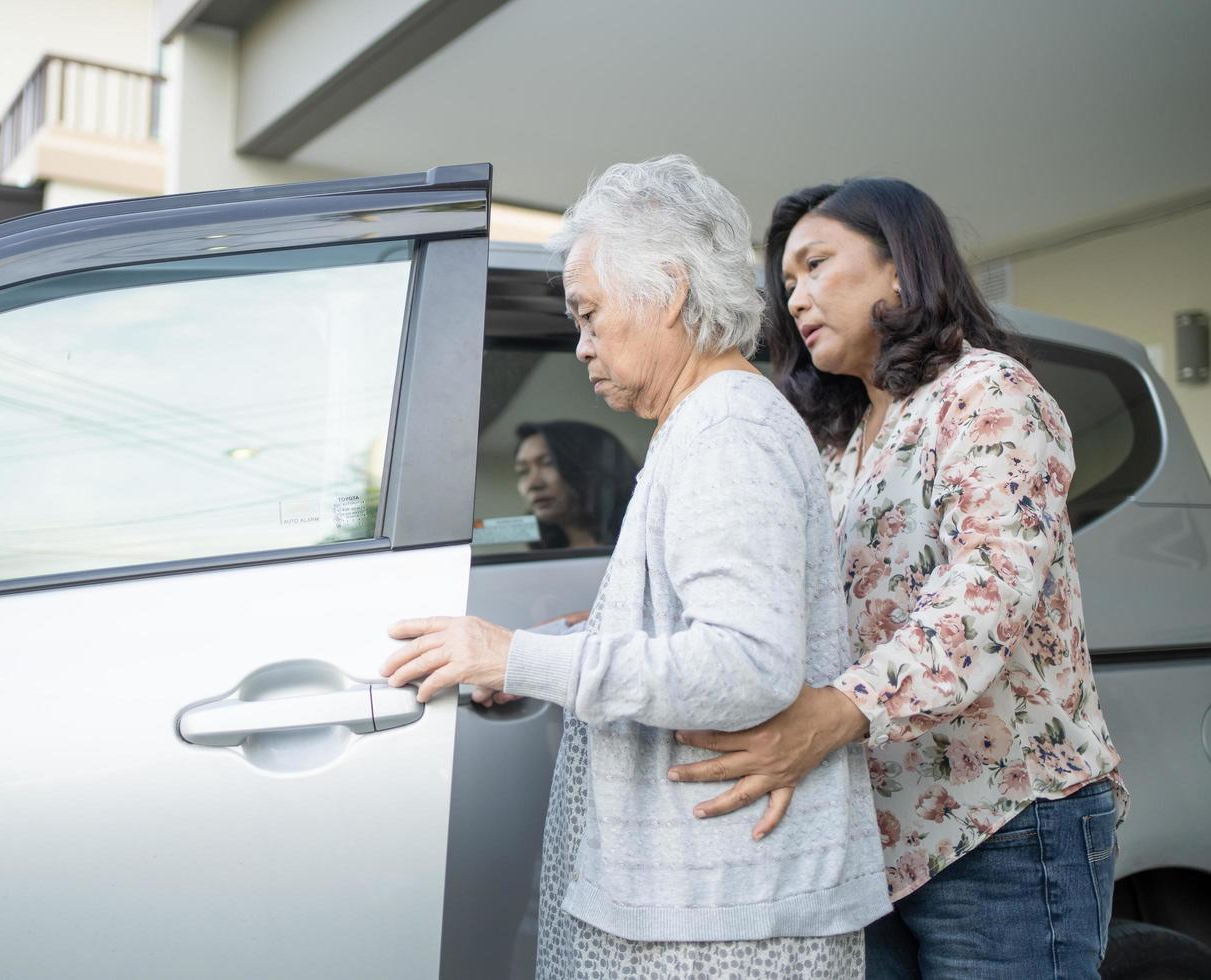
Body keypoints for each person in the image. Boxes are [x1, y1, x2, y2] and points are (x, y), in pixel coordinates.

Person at [382, 155, 888, 979]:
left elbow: (746, 663)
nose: (581, 345)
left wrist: (517, 654)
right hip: (703, 904)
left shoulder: (727, 430)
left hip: (721, 919)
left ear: (670, 290)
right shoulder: (705, 423)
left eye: (589, 313)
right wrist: (551, 652)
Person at [666, 177, 1127, 978]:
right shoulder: (836, 445)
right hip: (869, 834)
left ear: (901, 271)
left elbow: (984, 592)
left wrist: (836, 712)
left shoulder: (986, 393)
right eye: (787, 284)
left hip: (1004, 826)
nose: (797, 297)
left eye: (815, 265)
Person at [514, 420, 638, 549]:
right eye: (523, 471)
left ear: (591, 467)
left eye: (548, 463)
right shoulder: (540, 562)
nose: (532, 484)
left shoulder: (645, 544)